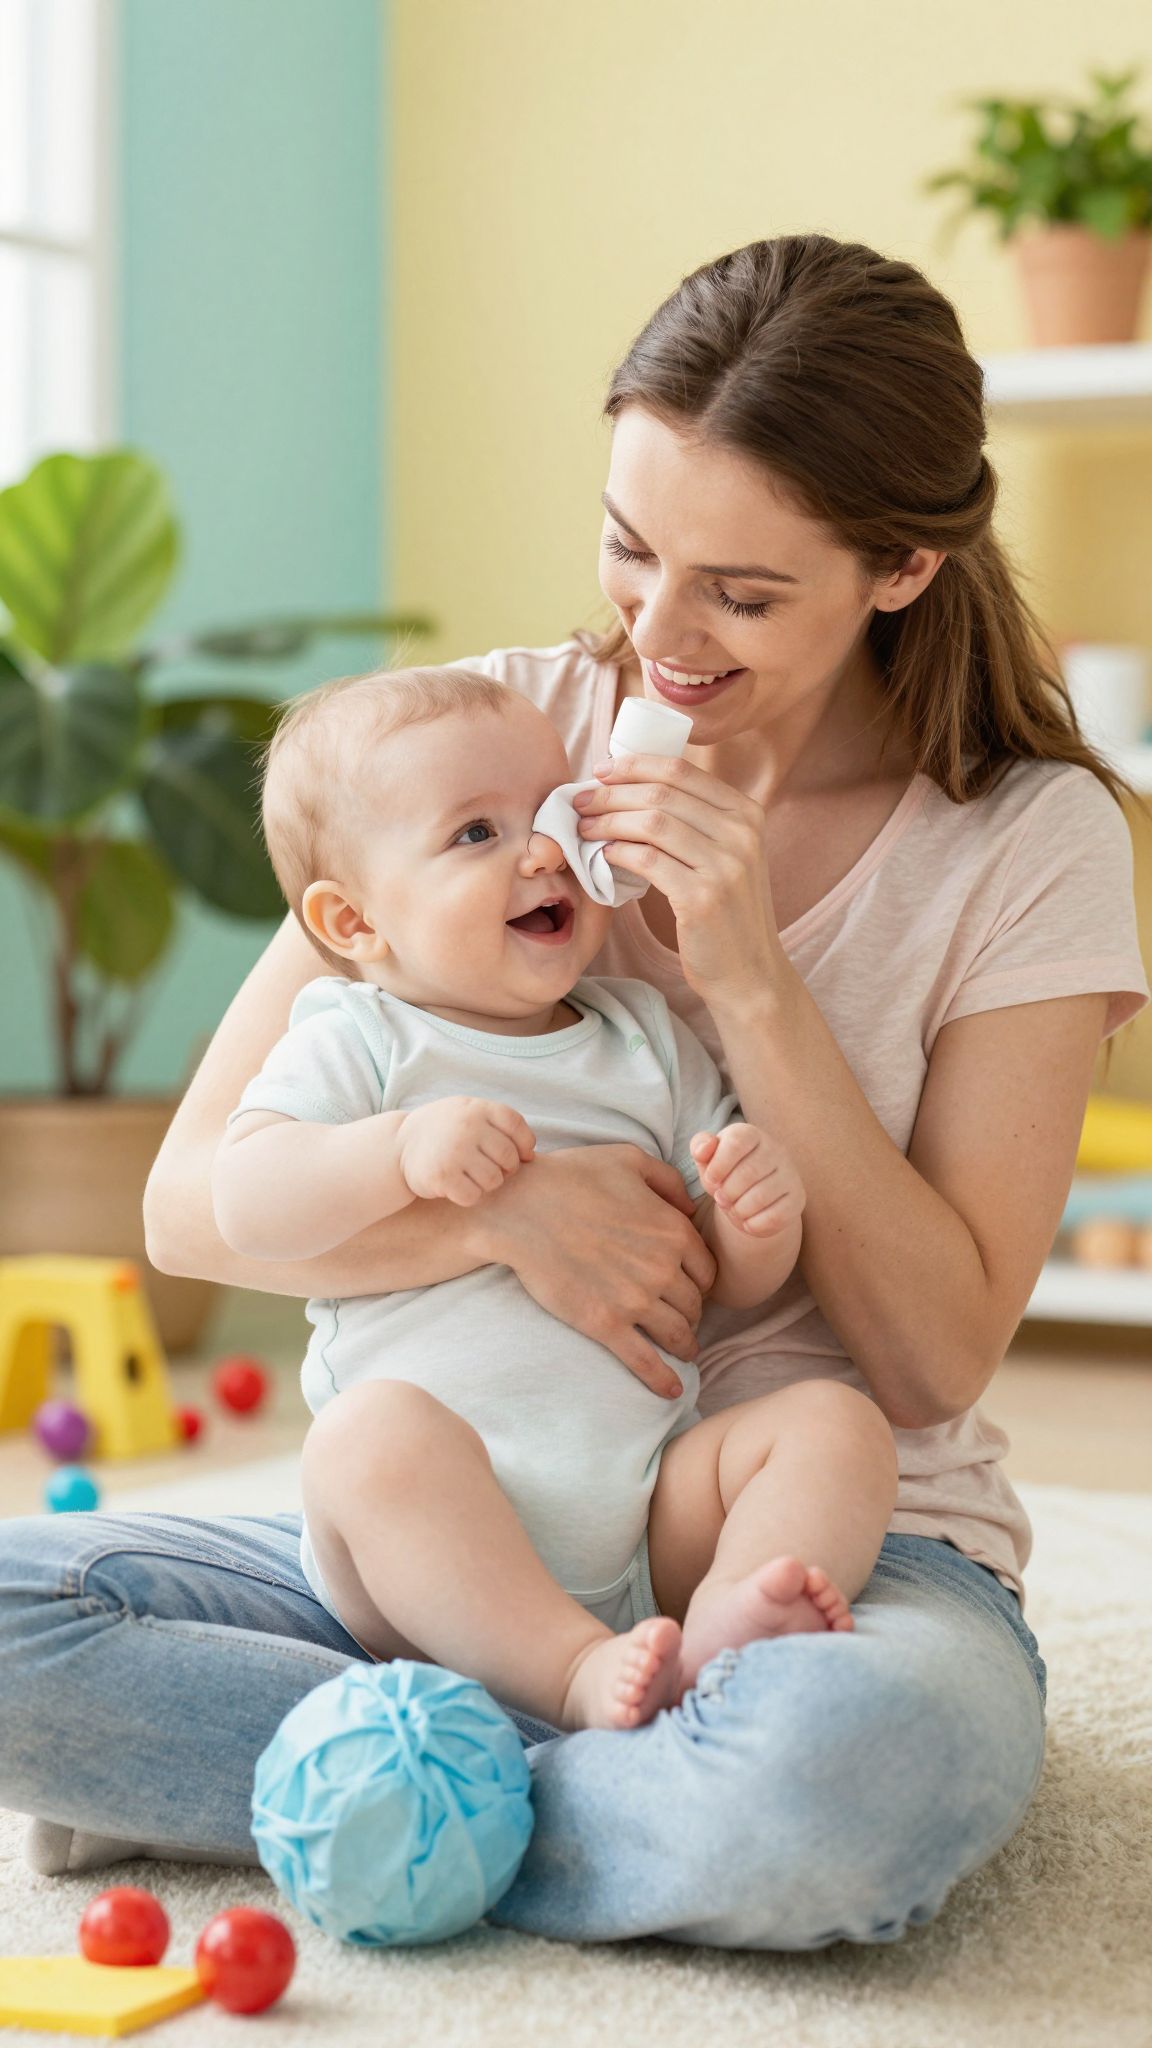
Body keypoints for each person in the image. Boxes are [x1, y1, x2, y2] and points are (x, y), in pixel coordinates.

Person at [2, 232, 1147, 1951]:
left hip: (824, 1546)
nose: (656, 635)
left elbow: (930, 1354)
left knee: (842, 1781)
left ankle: (368, 1775)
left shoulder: (1026, 838)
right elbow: (195, 1199)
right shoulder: (495, 744)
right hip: (481, 1509)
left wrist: (748, 969)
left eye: (739, 593)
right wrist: (505, 1207)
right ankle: (553, 1751)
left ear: (900, 563)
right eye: (630, 548)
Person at [210, 664, 898, 1734]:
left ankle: (723, 1624)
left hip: (637, 1515)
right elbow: (245, 1202)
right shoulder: (359, 1035)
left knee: (836, 1427)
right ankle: (572, 1670)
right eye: (475, 835)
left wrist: (755, 1218)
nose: (541, 851)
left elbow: (717, 1281)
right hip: (423, 1546)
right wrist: (396, 1150)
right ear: (353, 920)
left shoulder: (639, 1034)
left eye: (548, 813)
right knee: (368, 1437)